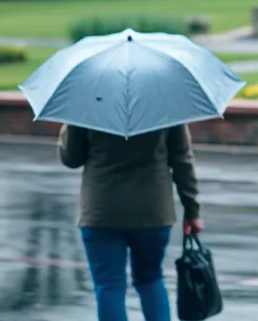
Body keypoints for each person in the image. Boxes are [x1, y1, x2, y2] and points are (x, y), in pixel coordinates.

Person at [59, 124, 202, 321]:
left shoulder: (87, 105)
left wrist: (68, 126)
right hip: (153, 209)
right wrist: (192, 209)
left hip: (102, 209)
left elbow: (71, 158)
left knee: (109, 285)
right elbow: (182, 159)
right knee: (151, 279)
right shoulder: (165, 103)